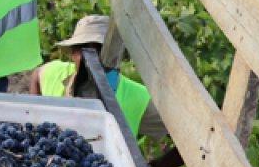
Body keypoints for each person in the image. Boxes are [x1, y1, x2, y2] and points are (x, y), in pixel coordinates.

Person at [30, 14, 165, 138]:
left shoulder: (139, 98)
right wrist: (32, 116)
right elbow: (37, 75)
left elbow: (185, 132)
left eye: (99, 49)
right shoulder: (56, 73)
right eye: (82, 48)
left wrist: (157, 165)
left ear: (114, 57)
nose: (89, 58)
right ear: (72, 53)